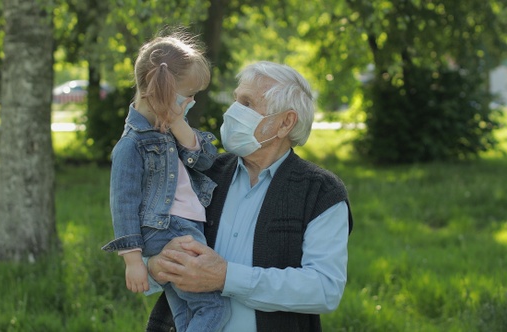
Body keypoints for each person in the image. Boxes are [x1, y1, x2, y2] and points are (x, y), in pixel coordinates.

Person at [145, 61, 354, 332]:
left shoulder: (321, 192)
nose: (233, 112)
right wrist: (153, 265)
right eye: (235, 100)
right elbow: (151, 231)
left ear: (285, 123)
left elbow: (324, 288)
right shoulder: (204, 173)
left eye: (247, 103)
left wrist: (226, 277)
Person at [101, 29, 229, 332]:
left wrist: (177, 121)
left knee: (184, 315)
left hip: (183, 226)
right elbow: (123, 202)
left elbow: (207, 159)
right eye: (188, 95)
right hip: (170, 228)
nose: (193, 102)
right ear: (160, 91)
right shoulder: (132, 144)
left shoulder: (169, 130)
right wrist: (133, 261)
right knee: (214, 308)